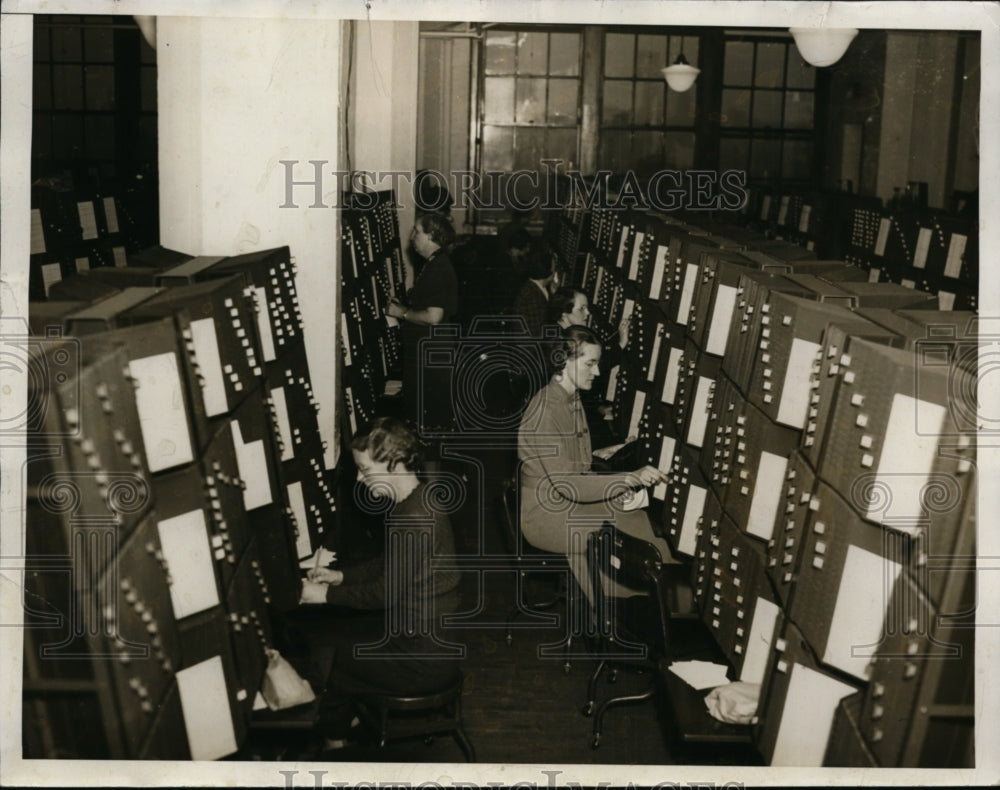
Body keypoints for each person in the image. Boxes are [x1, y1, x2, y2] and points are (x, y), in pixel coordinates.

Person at [297, 417, 462, 743]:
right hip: (436, 642)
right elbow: (389, 565)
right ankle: (350, 713)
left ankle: (335, 750)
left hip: (423, 660)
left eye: (366, 469)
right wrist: (340, 576)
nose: (360, 478)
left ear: (396, 464)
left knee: (336, 660)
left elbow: (384, 594)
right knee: (351, 639)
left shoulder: (412, 519)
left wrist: (324, 596)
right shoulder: (421, 498)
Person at [516, 325, 673, 602]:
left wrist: (616, 483)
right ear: (564, 361)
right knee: (637, 544)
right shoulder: (545, 411)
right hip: (545, 515)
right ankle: (624, 612)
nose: (597, 372)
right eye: (590, 363)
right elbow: (569, 484)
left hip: (566, 502)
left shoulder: (568, 398)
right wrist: (629, 478)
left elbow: (578, 465)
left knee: (640, 520)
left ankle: (642, 606)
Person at [385, 213, 459, 431]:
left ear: (431, 235)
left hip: (431, 360)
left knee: (429, 424)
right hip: (429, 355)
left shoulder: (438, 268)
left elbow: (433, 317)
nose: (411, 237)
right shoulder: (434, 263)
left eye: (417, 231)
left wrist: (403, 313)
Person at [510, 243, 559, 336]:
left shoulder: (535, 287)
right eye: (554, 268)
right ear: (548, 273)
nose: (555, 270)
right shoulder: (532, 295)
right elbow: (539, 332)